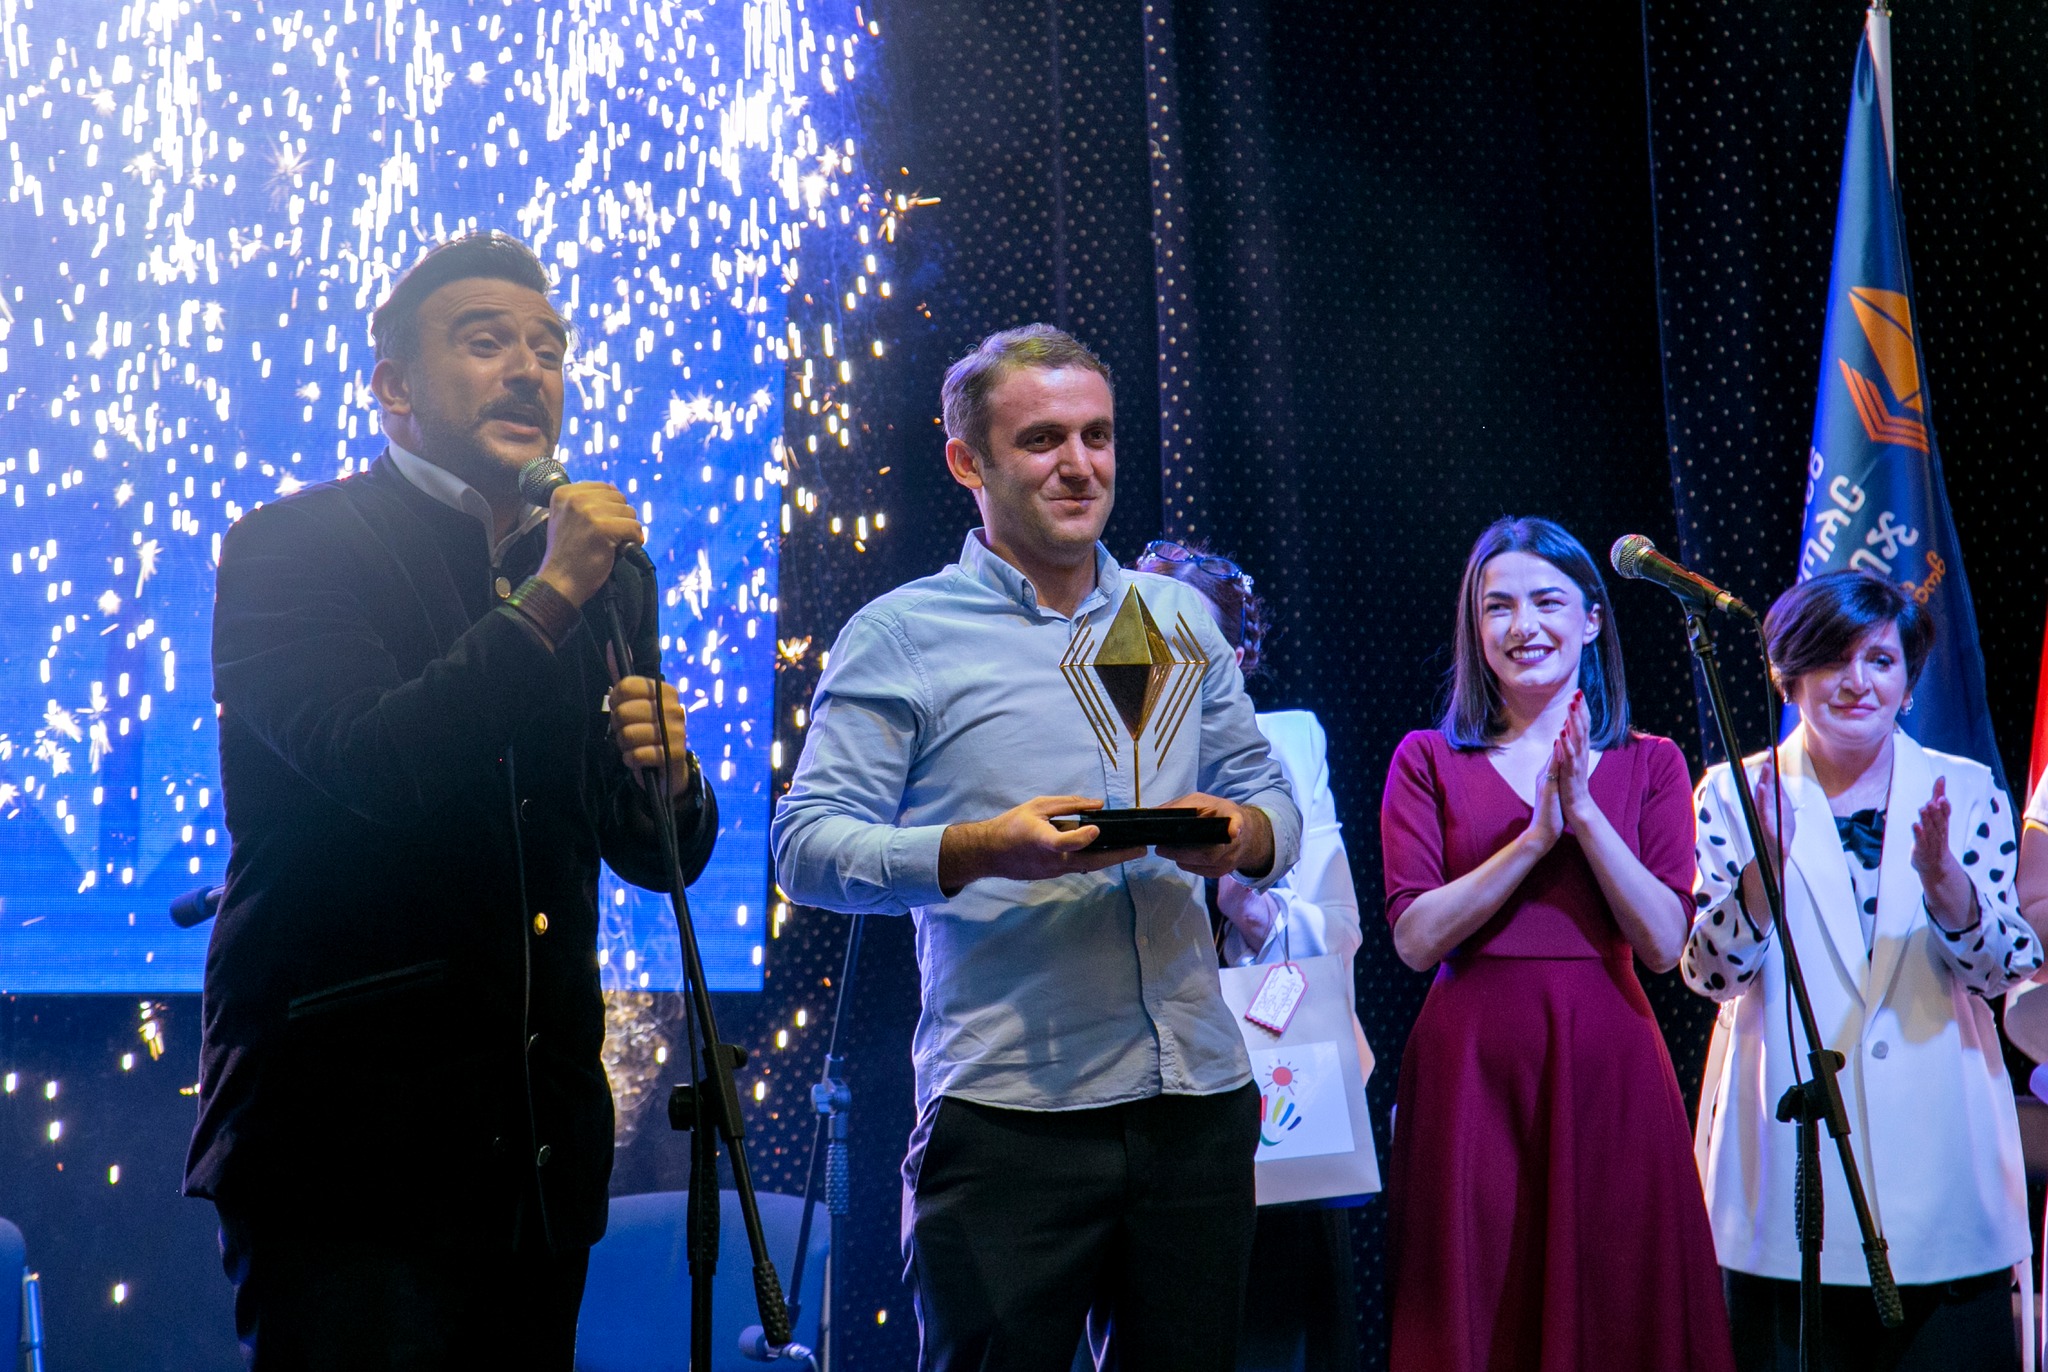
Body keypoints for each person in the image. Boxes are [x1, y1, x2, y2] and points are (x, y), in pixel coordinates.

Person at [188, 233, 719, 1370]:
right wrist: (552, 593)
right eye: (486, 344)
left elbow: (643, 848)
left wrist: (670, 780)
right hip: (346, 1154)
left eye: (549, 349)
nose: (530, 371)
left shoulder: (601, 573)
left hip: (537, 1156)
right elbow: (377, 763)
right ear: (393, 388)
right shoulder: (292, 544)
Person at [771, 325, 1302, 1372]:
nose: (1080, 465)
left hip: (1196, 1099)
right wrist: (980, 849)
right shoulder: (901, 633)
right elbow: (805, 846)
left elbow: (1268, 797)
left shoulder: (1178, 616)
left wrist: (1242, 837)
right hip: (1010, 1112)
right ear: (967, 462)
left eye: (1097, 435)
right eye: (1043, 439)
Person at [1380, 516, 1735, 1372]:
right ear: (1475, 628)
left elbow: (1663, 943)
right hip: (1472, 1073)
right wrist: (1534, 840)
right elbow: (1415, 940)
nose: (1522, 625)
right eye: (1497, 606)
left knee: (1617, 1303)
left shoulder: (1651, 762)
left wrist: (1583, 814)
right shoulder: (1428, 758)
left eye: (1546, 601)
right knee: (1481, 1305)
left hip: (1608, 1064)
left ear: (1591, 619)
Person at [1684, 569, 2039, 1372]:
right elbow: (1710, 976)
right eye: (1831, 658)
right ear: (1788, 675)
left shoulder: (1965, 790)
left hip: (1942, 1171)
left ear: (1908, 685)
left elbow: (2007, 970)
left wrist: (1950, 890)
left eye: (1879, 660)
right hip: (1790, 1176)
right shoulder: (1735, 793)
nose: (1856, 681)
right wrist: (1759, 882)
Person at [1133, 539, 1369, 1372]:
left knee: (1274, 1336)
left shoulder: (1287, 745)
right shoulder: (1092, 753)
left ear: (1232, 657)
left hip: (1267, 1087)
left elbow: (1337, 930)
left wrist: (1256, 914)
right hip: (1126, 1096)